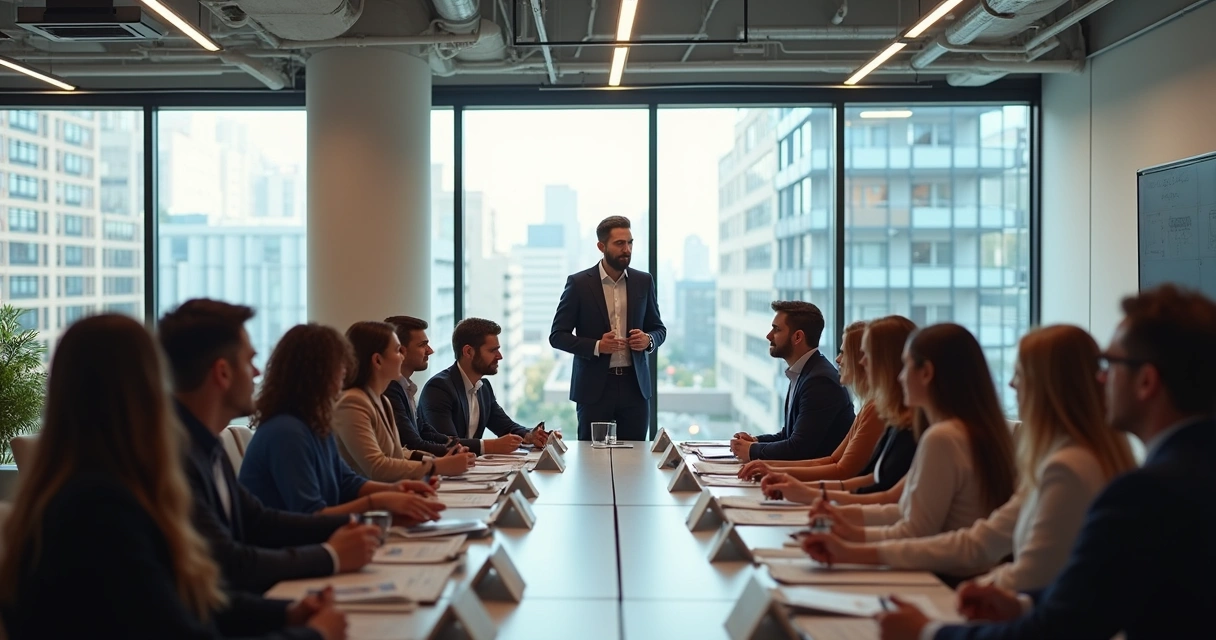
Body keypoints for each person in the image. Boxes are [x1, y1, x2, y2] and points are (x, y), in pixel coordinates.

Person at [877, 286, 1216, 640]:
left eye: (1111, 365)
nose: (1100, 379)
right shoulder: (1180, 473)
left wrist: (926, 632)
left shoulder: (1136, 488)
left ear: (1146, 381)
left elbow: (1058, 627)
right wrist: (1023, 605)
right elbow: (1096, 600)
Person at [0, 314, 345, 640]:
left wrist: (287, 614)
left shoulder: (92, 489)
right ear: (143, 390)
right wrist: (315, 634)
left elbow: (188, 605)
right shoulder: (102, 507)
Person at [803, 325, 1135, 592]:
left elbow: (1026, 577)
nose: (1011, 383)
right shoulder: (1062, 457)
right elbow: (983, 539)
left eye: (1019, 374)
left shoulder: (1064, 466)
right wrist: (849, 537)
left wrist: (853, 546)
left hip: (957, 584)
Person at [159, 299, 382, 594]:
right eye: (248, 361)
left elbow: (259, 520)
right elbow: (230, 565)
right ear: (223, 373)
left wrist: (370, 516)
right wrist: (334, 553)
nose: (256, 372)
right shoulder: (177, 459)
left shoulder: (207, 447)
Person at [791, 323, 1017, 543]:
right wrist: (824, 503)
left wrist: (845, 535)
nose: (900, 376)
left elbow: (913, 528)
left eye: (906, 365)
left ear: (926, 372)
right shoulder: (954, 431)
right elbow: (896, 503)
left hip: (934, 570)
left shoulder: (941, 437)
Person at [238, 323, 446, 523]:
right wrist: (379, 501)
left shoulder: (314, 422)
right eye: (340, 367)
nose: (345, 374)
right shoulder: (286, 432)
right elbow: (310, 515)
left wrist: (397, 490)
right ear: (316, 374)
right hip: (286, 549)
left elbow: (346, 481)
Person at [753, 316, 917, 497]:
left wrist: (790, 480)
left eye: (845, 352)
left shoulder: (877, 409)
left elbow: (845, 472)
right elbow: (845, 467)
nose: (838, 359)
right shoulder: (872, 406)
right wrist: (774, 470)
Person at [549, 215, 667, 441]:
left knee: (635, 461)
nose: (627, 249)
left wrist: (648, 340)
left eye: (630, 242)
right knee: (592, 461)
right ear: (601, 246)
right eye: (620, 243)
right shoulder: (579, 283)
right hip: (594, 389)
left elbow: (658, 329)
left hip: (636, 387)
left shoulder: (644, 281)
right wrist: (597, 346)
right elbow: (557, 336)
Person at [736, 321, 885, 482]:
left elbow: (840, 470)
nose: (838, 359)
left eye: (845, 353)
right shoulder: (868, 406)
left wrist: (769, 467)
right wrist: (767, 464)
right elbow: (832, 460)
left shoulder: (821, 380)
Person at [332, 321, 474, 482]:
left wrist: (439, 460)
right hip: (368, 501)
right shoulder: (352, 402)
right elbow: (377, 467)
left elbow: (398, 453)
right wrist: (437, 466)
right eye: (399, 351)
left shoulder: (381, 400)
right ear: (377, 361)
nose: (402, 356)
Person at [729, 301, 855, 461]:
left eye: (776, 329)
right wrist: (755, 441)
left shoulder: (820, 381)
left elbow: (798, 449)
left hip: (815, 482)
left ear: (797, 337)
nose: (769, 336)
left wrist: (752, 450)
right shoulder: (806, 371)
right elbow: (788, 435)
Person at [419, 317, 548, 455]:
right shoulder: (439, 388)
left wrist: (531, 435)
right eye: (493, 350)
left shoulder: (484, 387)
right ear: (468, 352)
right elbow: (446, 443)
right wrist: (490, 446)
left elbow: (506, 427)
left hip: (469, 470)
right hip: (442, 472)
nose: (499, 356)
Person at [382, 315, 459, 457]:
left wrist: (451, 443)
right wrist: (453, 451)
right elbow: (412, 442)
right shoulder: (389, 390)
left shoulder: (405, 387)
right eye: (422, 345)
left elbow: (423, 431)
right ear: (401, 351)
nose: (430, 351)